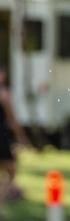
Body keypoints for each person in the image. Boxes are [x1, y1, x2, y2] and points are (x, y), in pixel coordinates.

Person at [0, 67, 30, 204]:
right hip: (1, 138)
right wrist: (21, 137)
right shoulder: (4, 94)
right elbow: (12, 120)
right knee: (11, 171)